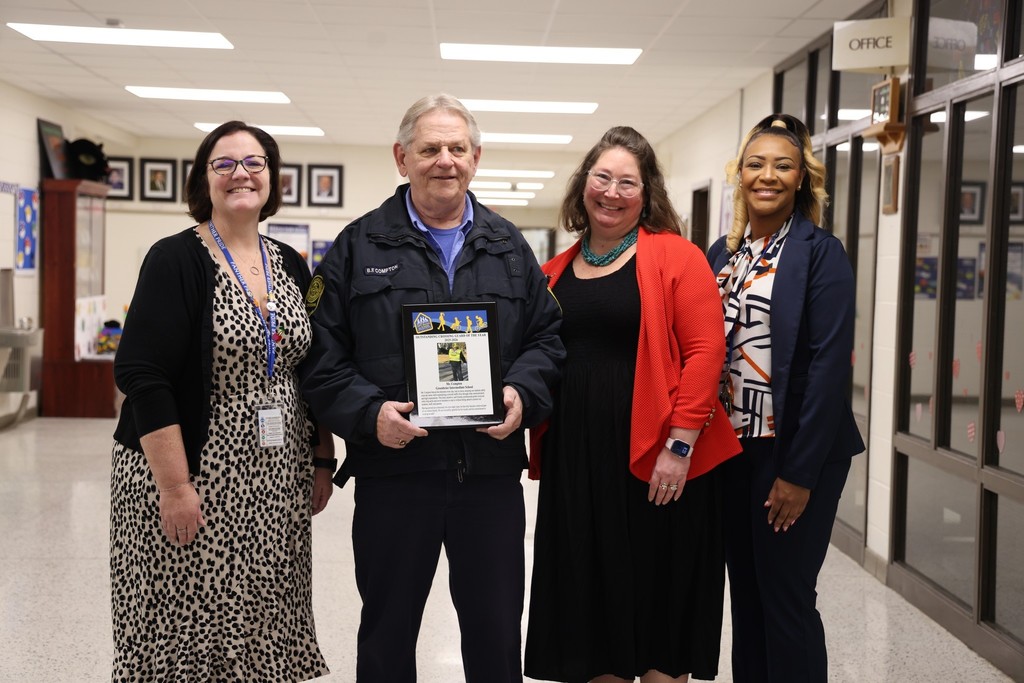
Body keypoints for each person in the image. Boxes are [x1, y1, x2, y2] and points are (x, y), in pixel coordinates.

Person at [299, 93, 565, 683]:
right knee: (388, 632)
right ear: (402, 158)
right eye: (429, 149)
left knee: (496, 634)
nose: (444, 160)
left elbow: (547, 340)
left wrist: (522, 395)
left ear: (476, 157)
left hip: (488, 477)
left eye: (457, 148)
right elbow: (317, 355)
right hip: (394, 476)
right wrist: (369, 415)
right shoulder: (356, 247)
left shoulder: (509, 245)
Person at [109, 120, 336, 681]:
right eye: (225, 163)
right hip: (194, 474)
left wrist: (320, 457)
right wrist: (175, 486)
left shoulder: (290, 262)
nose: (242, 174)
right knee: (187, 631)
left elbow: (307, 368)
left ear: (272, 178)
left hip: (273, 482)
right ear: (203, 179)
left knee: (261, 627)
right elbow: (142, 374)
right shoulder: (175, 259)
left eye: (255, 162)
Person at [524, 126, 742, 683]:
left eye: (628, 182)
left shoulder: (676, 256)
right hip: (580, 465)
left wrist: (679, 444)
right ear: (583, 185)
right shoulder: (553, 272)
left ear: (647, 195)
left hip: (657, 462)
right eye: (602, 177)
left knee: (655, 608)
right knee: (592, 609)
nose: (612, 192)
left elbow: (705, 351)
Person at [708, 113, 865, 682]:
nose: (767, 175)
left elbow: (827, 368)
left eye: (783, 165)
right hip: (732, 451)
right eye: (755, 164)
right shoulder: (722, 257)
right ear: (740, 176)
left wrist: (798, 475)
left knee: (787, 599)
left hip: (794, 451)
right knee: (746, 599)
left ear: (802, 178)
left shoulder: (821, 252)